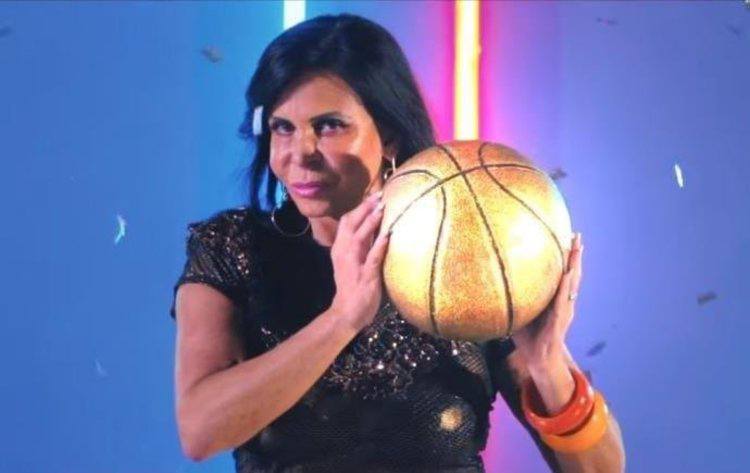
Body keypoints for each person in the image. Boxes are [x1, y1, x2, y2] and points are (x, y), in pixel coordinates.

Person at [169, 13, 625, 473]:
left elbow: (603, 469)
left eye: (329, 126)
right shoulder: (232, 247)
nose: (299, 153)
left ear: (388, 136)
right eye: (283, 127)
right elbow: (200, 431)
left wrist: (547, 364)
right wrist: (342, 320)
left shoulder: (470, 250)